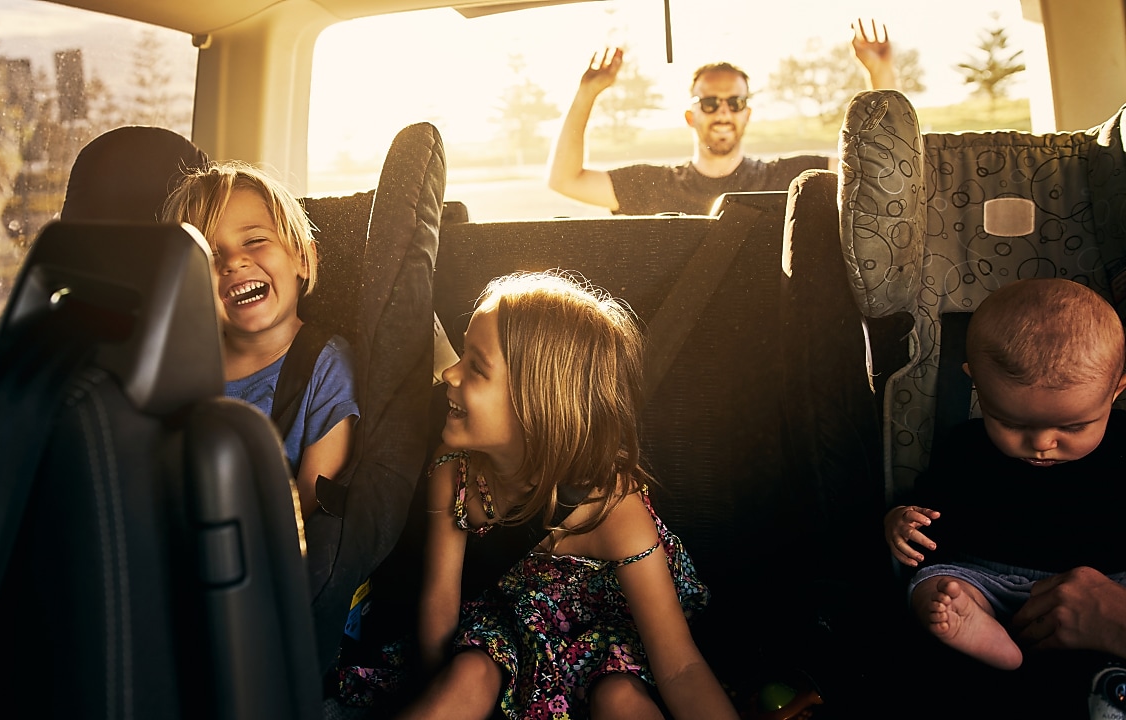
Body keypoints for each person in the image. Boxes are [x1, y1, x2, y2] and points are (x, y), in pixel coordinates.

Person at [398, 270, 738, 720]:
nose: (449, 372)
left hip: (611, 634)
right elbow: (440, 605)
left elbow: (680, 666)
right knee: (469, 674)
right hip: (512, 627)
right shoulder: (454, 472)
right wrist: (436, 689)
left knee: (617, 697)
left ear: (536, 406)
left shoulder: (613, 508)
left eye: (476, 367)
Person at [883, 278, 1126, 672]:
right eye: (1010, 423)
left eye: (1075, 427)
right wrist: (900, 519)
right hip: (987, 580)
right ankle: (981, 632)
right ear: (976, 383)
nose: (1043, 444)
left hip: (1108, 586)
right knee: (935, 586)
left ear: (1115, 393)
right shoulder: (966, 447)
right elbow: (930, 510)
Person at [160, 160, 359, 521]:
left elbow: (312, 499)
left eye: (254, 241)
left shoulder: (324, 365)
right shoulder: (176, 367)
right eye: (210, 254)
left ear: (302, 257)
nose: (234, 262)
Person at [547, 19, 897, 215]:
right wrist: (587, 93)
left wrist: (881, 73)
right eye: (710, 103)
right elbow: (566, 179)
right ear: (690, 115)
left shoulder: (793, 178)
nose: (724, 112)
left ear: (748, 114)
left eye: (735, 102)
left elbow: (884, 164)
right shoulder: (653, 186)